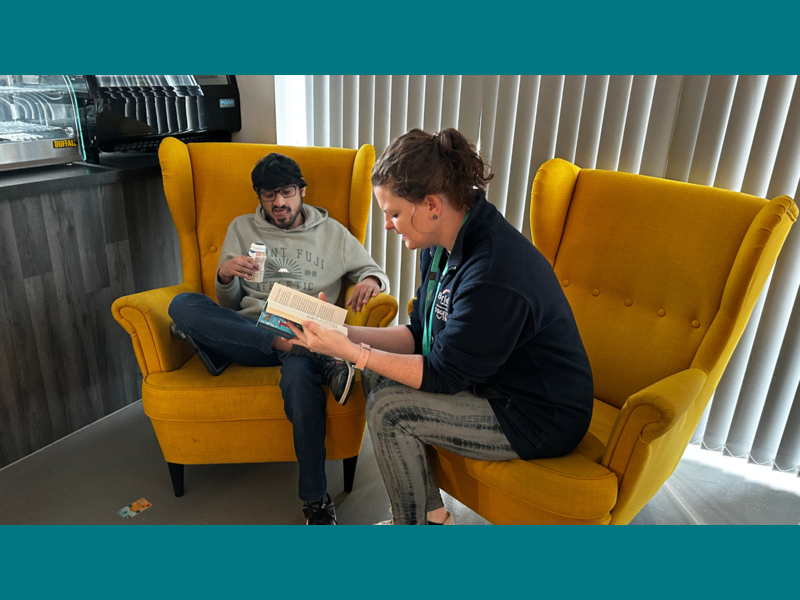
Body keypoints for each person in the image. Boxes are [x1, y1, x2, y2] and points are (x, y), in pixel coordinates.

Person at [284, 128, 594, 525]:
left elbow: (442, 375)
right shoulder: (438, 243)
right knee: (375, 379)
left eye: (393, 213)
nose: (388, 226)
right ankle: (432, 517)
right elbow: (419, 335)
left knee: (389, 408)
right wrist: (341, 331)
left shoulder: (492, 274)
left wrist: (352, 354)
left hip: (537, 414)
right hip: (492, 382)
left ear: (431, 205)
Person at [168, 152, 390, 525]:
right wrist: (225, 276)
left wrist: (369, 282)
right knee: (183, 305)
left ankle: (316, 501)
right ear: (259, 196)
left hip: (307, 333)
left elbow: (373, 270)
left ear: (302, 191)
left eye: (287, 192)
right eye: (269, 195)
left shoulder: (333, 233)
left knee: (300, 382)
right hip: (255, 330)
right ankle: (292, 348)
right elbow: (231, 302)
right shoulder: (241, 228)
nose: (279, 203)